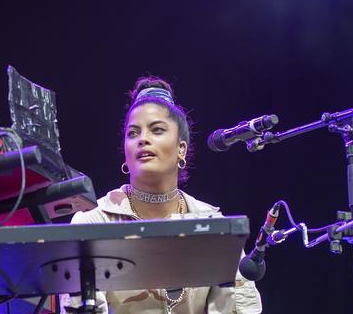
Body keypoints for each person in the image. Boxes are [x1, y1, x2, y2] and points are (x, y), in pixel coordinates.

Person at [61, 77, 262, 314]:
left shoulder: (213, 225)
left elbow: (240, 308)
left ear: (181, 148)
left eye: (156, 130)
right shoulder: (92, 224)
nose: (142, 139)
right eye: (133, 133)